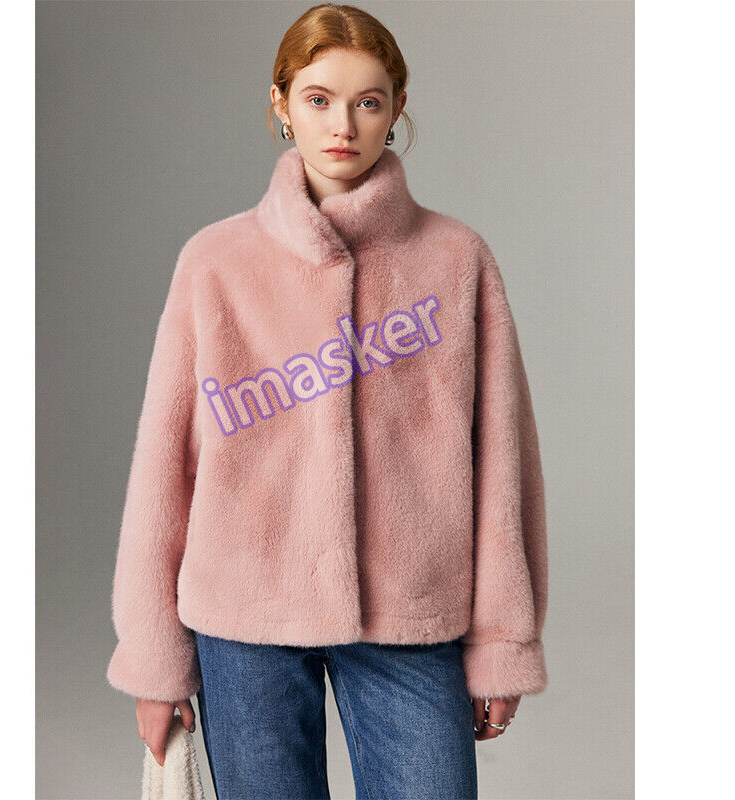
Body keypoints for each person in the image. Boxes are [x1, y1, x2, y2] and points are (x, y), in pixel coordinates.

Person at [107, 4, 548, 799]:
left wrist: (501, 642)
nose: (343, 124)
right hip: (244, 618)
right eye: (318, 99)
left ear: (398, 109)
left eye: (367, 101)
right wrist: (153, 660)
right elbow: (164, 466)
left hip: (411, 612)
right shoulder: (216, 262)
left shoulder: (456, 261)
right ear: (280, 104)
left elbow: (501, 465)